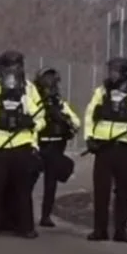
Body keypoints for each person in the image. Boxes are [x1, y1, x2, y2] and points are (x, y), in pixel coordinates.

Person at [0, 51, 45, 239]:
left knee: (23, 189)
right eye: (9, 66)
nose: (13, 70)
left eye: (17, 65)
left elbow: (40, 117)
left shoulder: (28, 91)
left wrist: (32, 124)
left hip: (22, 144)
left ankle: (26, 227)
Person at [82, 56, 127, 242]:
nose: (111, 74)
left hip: (125, 148)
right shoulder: (101, 93)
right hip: (103, 148)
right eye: (110, 70)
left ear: (125, 74)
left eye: (115, 71)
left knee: (123, 191)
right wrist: (89, 138)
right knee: (101, 191)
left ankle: (120, 231)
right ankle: (100, 230)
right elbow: (89, 116)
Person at [35, 68, 80, 228]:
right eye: (47, 79)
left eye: (52, 80)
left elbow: (75, 121)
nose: (50, 83)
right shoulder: (34, 99)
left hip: (55, 145)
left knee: (51, 182)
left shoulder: (59, 102)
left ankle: (46, 216)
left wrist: (66, 121)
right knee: (28, 180)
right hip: (38, 144)